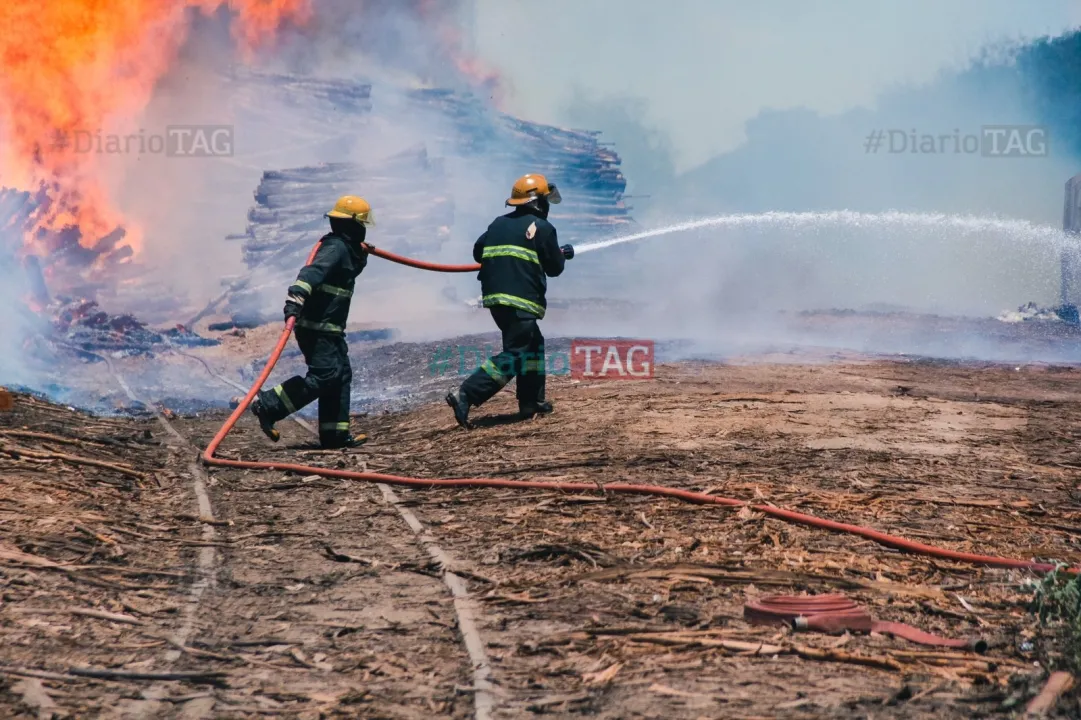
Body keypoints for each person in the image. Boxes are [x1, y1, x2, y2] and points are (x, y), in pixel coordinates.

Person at [446, 174, 574, 429]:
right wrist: (562, 254)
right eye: (546, 201)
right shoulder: (544, 228)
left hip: (496, 300)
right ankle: (467, 394)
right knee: (517, 353)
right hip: (521, 301)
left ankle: (531, 402)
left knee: (533, 345)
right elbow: (555, 268)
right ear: (538, 203)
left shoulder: (497, 224)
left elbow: (478, 250)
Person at [249, 195, 373, 448]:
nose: (363, 229)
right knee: (326, 375)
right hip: (317, 328)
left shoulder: (344, 249)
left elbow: (344, 273)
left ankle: (334, 434)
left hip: (331, 329)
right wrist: (295, 298)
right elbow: (311, 273)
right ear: (351, 224)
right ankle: (269, 405)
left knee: (340, 376)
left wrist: (361, 257)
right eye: (361, 225)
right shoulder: (335, 247)